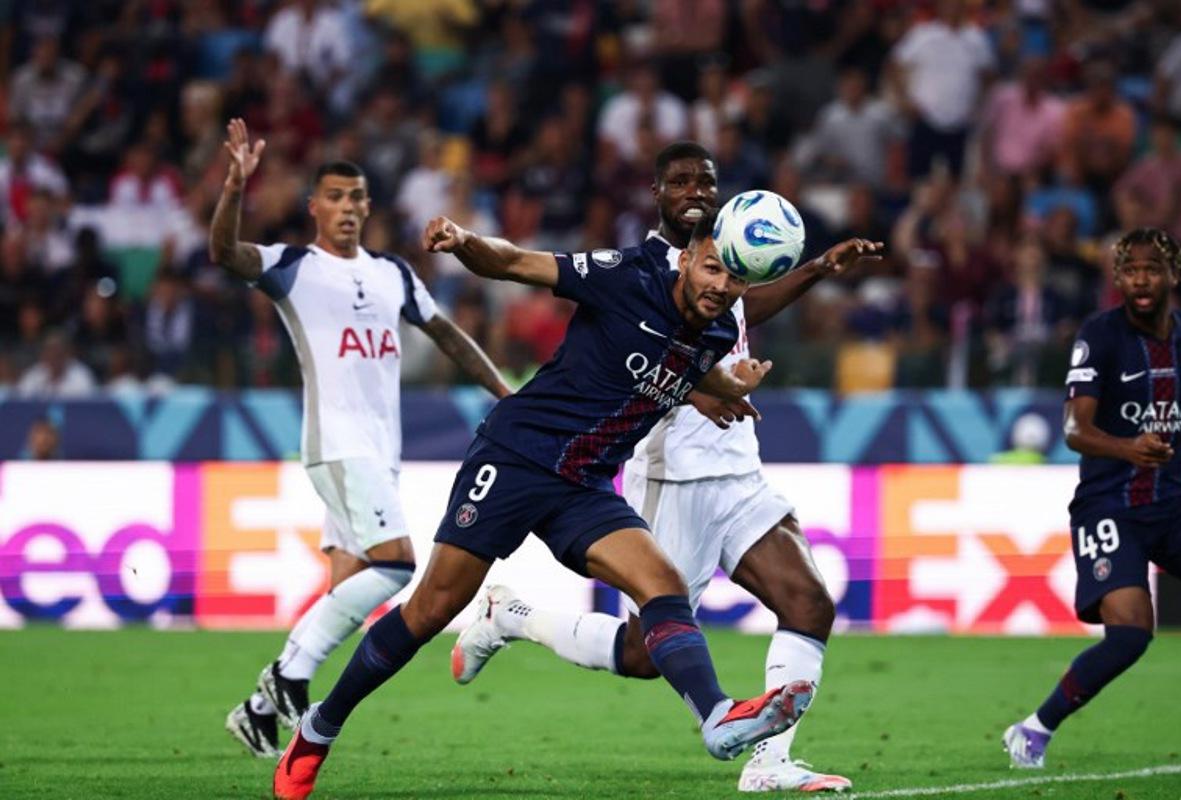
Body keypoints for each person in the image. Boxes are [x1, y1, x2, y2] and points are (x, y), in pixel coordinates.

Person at [274, 209, 813, 800]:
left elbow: (682, 371)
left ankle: (717, 718)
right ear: (685, 258)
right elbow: (512, 262)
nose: (721, 287)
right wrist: (464, 243)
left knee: (663, 586)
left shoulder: (712, 334)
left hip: (582, 485)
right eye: (711, 268)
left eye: (735, 280)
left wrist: (723, 389)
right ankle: (319, 728)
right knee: (430, 609)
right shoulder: (626, 276)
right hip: (515, 458)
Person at [451, 141, 882, 793]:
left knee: (810, 602)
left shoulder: (727, 262)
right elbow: (636, 362)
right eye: (680, 182)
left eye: (705, 182)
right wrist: (702, 391)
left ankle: (768, 763)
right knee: (643, 653)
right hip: (670, 472)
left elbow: (745, 309)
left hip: (738, 472)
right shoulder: (640, 268)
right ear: (657, 192)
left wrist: (818, 266)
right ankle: (512, 618)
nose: (695, 192)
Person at [210, 119, 511, 759]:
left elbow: (446, 333)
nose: (348, 209)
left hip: (380, 450)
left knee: (346, 588)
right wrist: (234, 188)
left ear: (369, 207)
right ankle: (289, 675)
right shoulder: (294, 266)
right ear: (314, 206)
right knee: (397, 562)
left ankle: (261, 713)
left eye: (358, 198)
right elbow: (227, 255)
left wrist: (505, 393)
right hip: (336, 444)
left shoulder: (393, 275)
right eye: (336, 198)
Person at [1003, 229, 1181, 768]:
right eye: (1131, 270)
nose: (1141, 279)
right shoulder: (1100, 335)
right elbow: (1074, 428)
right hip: (1111, 505)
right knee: (1131, 635)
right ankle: (1034, 729)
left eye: (1152, 268)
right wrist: (1129, 448)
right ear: (1117, 278)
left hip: (1177, 503)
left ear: (1173, 276)